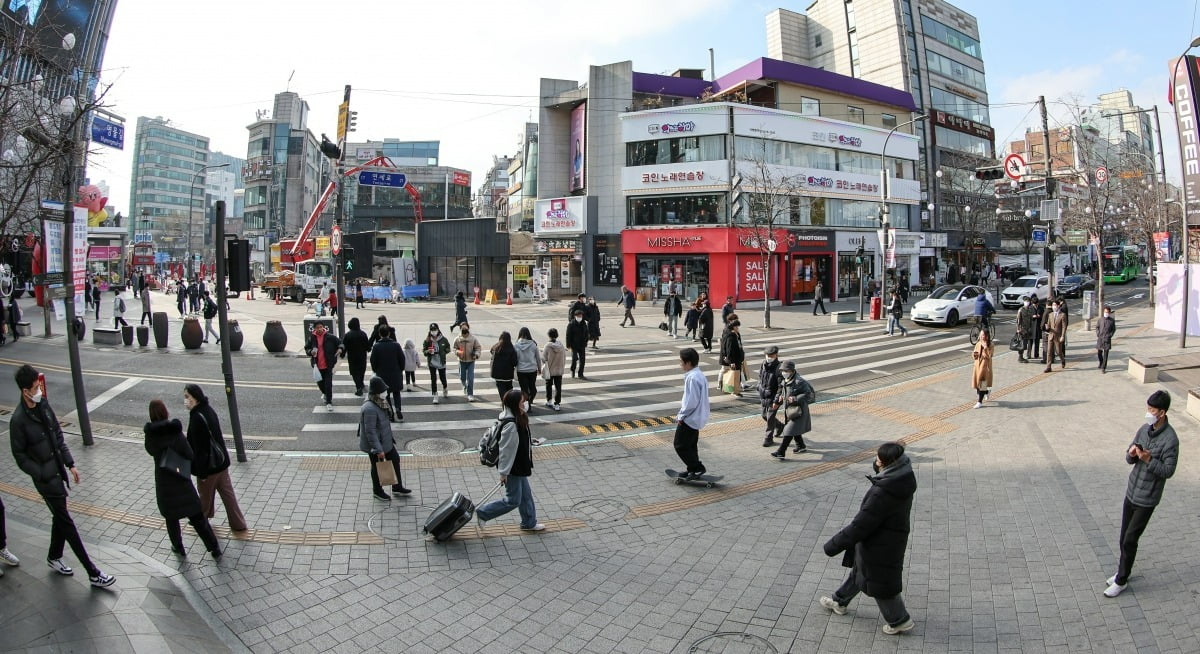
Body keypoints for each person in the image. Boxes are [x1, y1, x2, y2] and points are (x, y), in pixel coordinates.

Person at [9, 364, 115, 587]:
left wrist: (70, 463)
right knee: (66, 522)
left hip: (58, 470)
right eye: (35, 388)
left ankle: (54, 556)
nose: (39, 391)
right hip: (46, 480)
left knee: (61, 515)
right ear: (25, 391)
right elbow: (20, 457)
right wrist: (41, 473)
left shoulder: (43, 405)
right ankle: (93, 572)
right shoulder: (18, 421)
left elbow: (57, 433)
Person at [819, 441, 917, 635]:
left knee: (880, 582)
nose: (875, 461)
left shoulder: (883, 493)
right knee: (860, 571)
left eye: (878, 459)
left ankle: (898, 620)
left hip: (880, 545)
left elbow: (861, 525)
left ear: (887, 463)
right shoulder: (903, 476)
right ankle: (840, 601)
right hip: (890, 538)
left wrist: (833, 545)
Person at [1104, 390, 1179, 598]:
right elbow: (1130, 456)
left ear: (1162, 412)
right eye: (1148, 408)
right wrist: (1131, 454)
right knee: (1123, 537)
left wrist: (1148, 460)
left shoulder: (1171, 440)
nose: (1148, 413)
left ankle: (1121, 580)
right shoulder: (1144, 430)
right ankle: (1122, 570)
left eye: (1152, 410)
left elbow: (1168, 471)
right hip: (1132, 491)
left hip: (1147, 499)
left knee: (1130, 539)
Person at [143, 400, 222, 559]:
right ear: (165, 412)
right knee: (197, 518)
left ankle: (178, 547)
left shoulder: (150, 436)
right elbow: (190, 454)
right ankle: (214, 547)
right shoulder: (175, 431)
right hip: (181, 480)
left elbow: (150, 451)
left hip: (164, 483)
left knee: (171, 519)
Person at [475, 389, 544, 532]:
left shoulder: (516, 416)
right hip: (513, 467)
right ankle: (483, 512)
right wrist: (503, 473)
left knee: (525, 495)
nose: (524, 403)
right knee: (513, 500)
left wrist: (531, 441)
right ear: (515, 404)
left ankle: (529, 523)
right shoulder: (511, 424)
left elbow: (519, 440)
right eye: (522, 401)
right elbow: (506, 450)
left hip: (519, 464)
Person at [184, 384, 247, 532]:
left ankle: (201, 520)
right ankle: (238, 524)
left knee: (205, 494)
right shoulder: (208, 410)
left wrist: (202, 472)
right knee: (228, 495)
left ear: (196, 398)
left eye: (188, 397)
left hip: (209, 467)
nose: (186, 400)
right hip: (221, 462)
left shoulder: (197, 417)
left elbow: (201, 449)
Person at [359, 376, 411, 501]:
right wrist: (378, 449)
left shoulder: (380, 401)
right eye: (383, 390)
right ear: (376, 392)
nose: (386, 392)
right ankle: (377, 491)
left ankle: (397, 487)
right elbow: (370, 432)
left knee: (394, 459)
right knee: (377, 467)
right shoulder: (370, 408)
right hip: (376, 444)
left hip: (385, 440)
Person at [673, 348, 711, 480]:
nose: (680, 364)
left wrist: (681, 416)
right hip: (697, 417)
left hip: (690, 418)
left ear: (688, 363)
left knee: (679, 445)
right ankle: (692, 469)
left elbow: (691, 402)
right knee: (690, 445)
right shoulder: (698, 374)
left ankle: (697, 467)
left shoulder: (693, 378)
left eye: (681, 362)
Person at [772, 360, 815, 457]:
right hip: (790, 410)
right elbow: (782, 391)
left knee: (788, 430)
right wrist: (778, 400)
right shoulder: (785, 380)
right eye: (782, 370)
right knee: (794, 429)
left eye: (786, 371)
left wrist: (795, 398)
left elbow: (808, 394)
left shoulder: (799, 381)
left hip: (798, 411)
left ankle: (781, 452)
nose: (784, 373)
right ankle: (801, 446)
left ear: (792, 371)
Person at [305, 322, 343, 412]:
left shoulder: (330, 337)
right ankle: (325, 394)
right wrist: (311, 352)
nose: (319, 329)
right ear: (314, 329)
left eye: (321, 327)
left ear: (323, 328)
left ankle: (329, 402)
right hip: (317, 365)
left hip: (328, 364)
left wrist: (340, 349)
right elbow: (306, 348)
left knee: (328, 384)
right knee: (320, 383)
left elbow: (340, 342)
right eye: (317, 327)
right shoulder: (312, 338)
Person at [368, 326, 405, 420]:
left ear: (380, 334)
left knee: (386, 394)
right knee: (396, 393)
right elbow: (402, 359)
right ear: (389, 333)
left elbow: (373, 361)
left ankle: (390, 412)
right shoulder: (396, 345)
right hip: (395, 372)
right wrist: (401, 369)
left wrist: (375, 370)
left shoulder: (376, 346)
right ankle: (398, 408)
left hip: (382, 374)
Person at [758, 346, 783, 448]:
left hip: (774, 397)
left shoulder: (779, 368)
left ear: (776, 355)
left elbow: (781, 386)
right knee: (764, 415)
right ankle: (780, 426)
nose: (769, 357)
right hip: (764, 395)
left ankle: (768, 439)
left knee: (770, 417)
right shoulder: (763, 365)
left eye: (771, 355)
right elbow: (760, 377)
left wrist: (777, 401)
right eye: (767, 355)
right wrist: (759, 388)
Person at [422, 323, 451, 403]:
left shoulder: (443, 339)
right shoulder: (427, 340)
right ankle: (435, 395)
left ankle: (445, 387)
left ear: (438, 330)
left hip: (441, 361)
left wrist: (443, 352)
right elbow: (424, 351)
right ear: (430, 331)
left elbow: (448, 348)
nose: (434, 332)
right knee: (433, 379)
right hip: (432, 362)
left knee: (443, 378)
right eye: (432, 330)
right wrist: (428, 351)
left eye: (435, 330)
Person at [453, 322, 482, 402]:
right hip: (461, 361)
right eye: (463, 329)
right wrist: (457, 352)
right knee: (462, 377)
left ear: (468, 329)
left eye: (466, 329)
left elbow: (478, 348)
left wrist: (476, 355)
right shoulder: (458, 339)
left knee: (470, 378)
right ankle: (464, 386)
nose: (464, 330)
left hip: (470, 361)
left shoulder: (473, 339)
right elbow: (454, 348)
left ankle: (470, 394)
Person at [514, 327, 542, 409]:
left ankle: (527, 405)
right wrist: (539, 368)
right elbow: (538, 358)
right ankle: (530, 400)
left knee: (524, 389)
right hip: (532, 370)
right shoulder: (533, 345)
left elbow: (515, 358)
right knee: (532, 387)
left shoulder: (516, 345)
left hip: (521, 370)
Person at [343, 317, 370, 396]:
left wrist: (342, 354)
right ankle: (361, 384)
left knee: (354, 373)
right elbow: (367, 346)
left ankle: (358, 387)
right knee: (361, 371)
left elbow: (345, 345)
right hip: (362, 356)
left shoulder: (348, 335)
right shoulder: (363, 334)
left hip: (352, 357)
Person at [719, 319, 746, 397]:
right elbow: (729, 349)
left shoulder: (736, 334)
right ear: (733, 327)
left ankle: (736, 390)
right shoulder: (731, 336)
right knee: (735, 376)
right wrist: (731, 362)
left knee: (737, 375)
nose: (738, 328)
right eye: (737, 326)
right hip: (735, 359)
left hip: (738, 358)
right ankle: (734, 391)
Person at [490, 330, 518, 399]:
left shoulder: (496, 347)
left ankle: (504, 403)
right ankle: (509, 403)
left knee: (501, 390)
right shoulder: (512, 349)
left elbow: (491, 351)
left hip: (497, 374)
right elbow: (515, 362)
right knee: (509, 390)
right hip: (508, 375)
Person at [543, 328, 566, 411]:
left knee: (548, 385)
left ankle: (549, 401)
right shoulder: (561, 345)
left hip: (549, 370)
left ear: (549, 335)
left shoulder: (547, 346)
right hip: (559, 370)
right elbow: (564, 357)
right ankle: (557, 404)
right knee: (558, 387)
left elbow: (543, 358)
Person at [1042, 298, 1068, 373]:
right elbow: (1049, 324)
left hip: (1058, 336)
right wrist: (1047, 327)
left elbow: (1064, 326)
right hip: (1051, 335)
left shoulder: (1062, 315)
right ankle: (1048, 367)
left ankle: (1062, 360)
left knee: (1058, 351)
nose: (1053, 307)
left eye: (1055, 305)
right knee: (1049, 352)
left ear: (1058, 306)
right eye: (1053, 305)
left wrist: (1063, 336)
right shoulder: (1050, 314)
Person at [972, 328, 994, 409]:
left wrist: (985, 347)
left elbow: (990, 355)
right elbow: (975, 354)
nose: (981, 337)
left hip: (985, 368)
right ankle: (987, 392)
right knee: (978, 385)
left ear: (987, 336)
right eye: (980, 335)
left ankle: (979, 402)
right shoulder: (978, 344)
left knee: (982, 384)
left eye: (983, 335)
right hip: (977, 367)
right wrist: (974, 355)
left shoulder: (991, 344)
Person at [566, 310, 589, 380]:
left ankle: (580, 374)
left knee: (582, 360)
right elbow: (568, 335)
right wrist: (568, 345)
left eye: (581, 316)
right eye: (578, 316)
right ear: (575, 316)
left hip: (582, 345)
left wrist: (586, 341)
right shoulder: (571, 324)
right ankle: (572, 370)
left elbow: (586, 333)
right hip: (574, 345)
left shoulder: (584, 323)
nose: (580, 317)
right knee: (574, 359)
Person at [1096, 305, 1116, 374]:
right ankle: (1101, 362)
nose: (1106, 313)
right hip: (1100, 339)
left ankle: (1103, 367)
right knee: (1099, 353)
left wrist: (1110, 335)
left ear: (1109, 313)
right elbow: (1097, 327)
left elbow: (1114, 329)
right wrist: (1098, 333)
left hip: (1107, 339)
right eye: (1105, 312)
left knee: (1106, 354)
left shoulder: (1112, 321)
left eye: (1107, 312)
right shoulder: (1100, 319)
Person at [1015, 297, 1035, 364]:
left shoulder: (1030, 309)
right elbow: (1018, 320)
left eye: (1028, 301)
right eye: (1026, 301)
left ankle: (1022, 356)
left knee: (1025, 343)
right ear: (1024, 302)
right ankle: (1020, 357)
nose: (1027, 302)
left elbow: (1031, 319)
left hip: (1028, 329)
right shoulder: (1021, 309)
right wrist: (1018, 329)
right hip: (1022, 329)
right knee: (1022, 344)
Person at [1029, 295, 1045, 362]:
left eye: (1036, 304)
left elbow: (1043, 317)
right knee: (1030, 342)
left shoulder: (1041, 308)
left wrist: (1039, 316)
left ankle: (1036, 354)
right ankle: (1028, 354)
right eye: (1034, 304)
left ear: (1038, 303)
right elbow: (1028, 317)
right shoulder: (1030, 308)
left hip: (1038, 327)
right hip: (1031, 327)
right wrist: (1032, 316)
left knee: (1037, 342)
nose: (1035, 305)